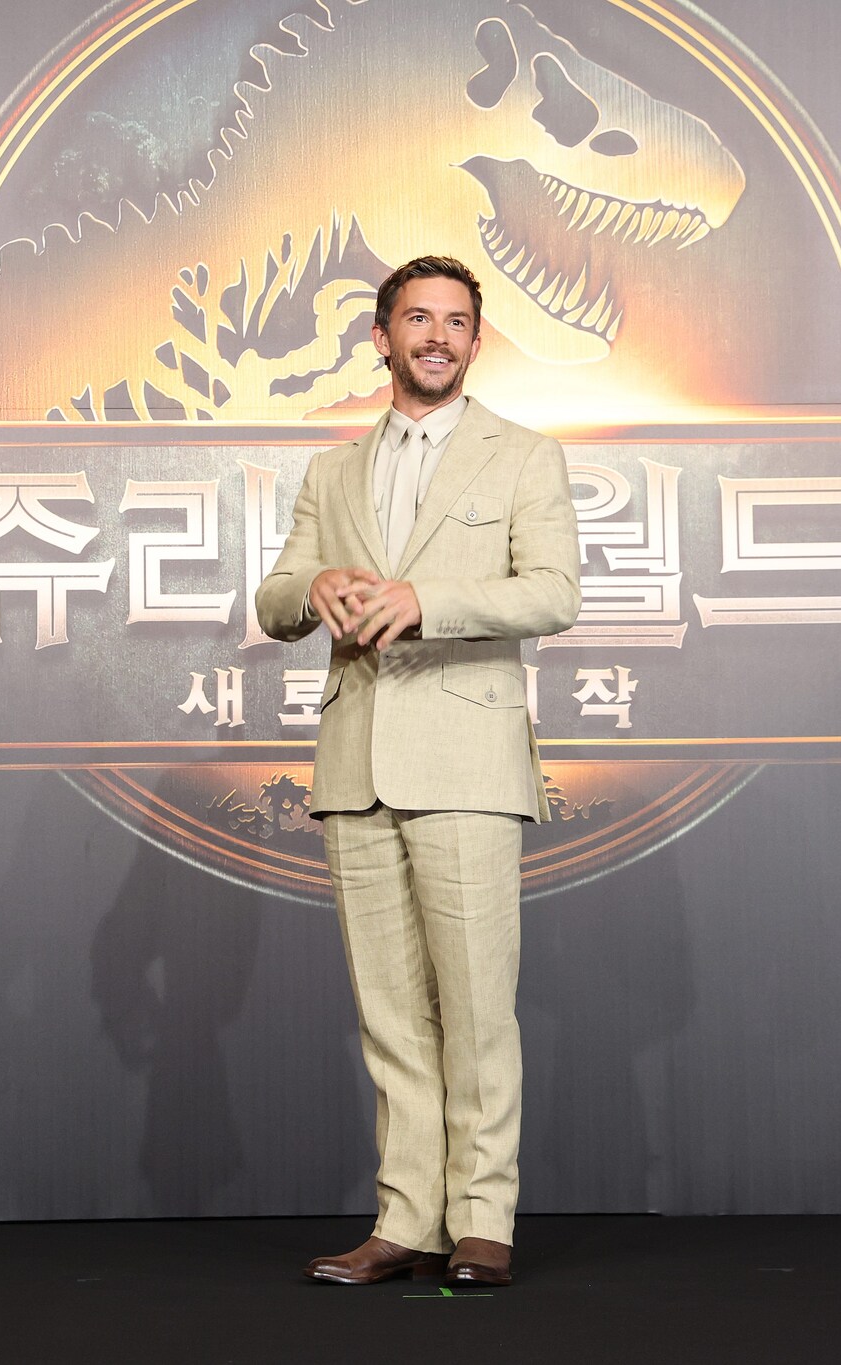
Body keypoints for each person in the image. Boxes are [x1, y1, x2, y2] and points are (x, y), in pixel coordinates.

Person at [255, 256, 580, 1287]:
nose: (437, 336)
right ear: (380, 336)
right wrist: (317, 583)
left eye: (456, 322)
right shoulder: (334, 472)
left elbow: (554, 593)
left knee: (476, 1007)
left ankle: (482, 1220)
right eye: (417, 319)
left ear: (475, 341)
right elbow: (272, 601)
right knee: (390, 1015)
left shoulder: (522, 455)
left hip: (466, 762)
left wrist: (426, 601)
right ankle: (405, 1219)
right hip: (356, 762)